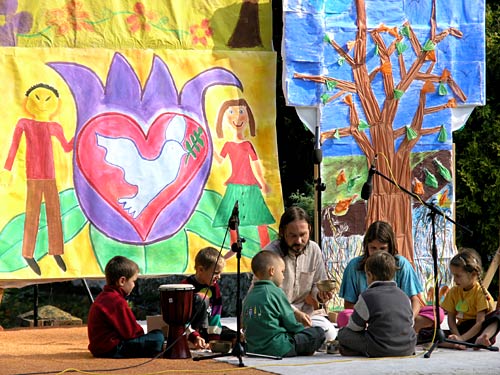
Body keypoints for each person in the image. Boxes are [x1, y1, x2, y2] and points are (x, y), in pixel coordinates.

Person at [4, 83, 74, 275]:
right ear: (28, 101)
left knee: (54, 213)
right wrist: (7, 169)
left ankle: (56, 251)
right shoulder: (24, 123)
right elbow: (14, 146)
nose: (42, 103)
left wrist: (79, 135)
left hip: (50, 177)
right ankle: (27, 252)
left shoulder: (54, 126)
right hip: (33, 176)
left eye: (47, 99)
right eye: (37, 98)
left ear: (56, 104)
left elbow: (67, 147)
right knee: (32, 213)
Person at [338, 220, 442, 335]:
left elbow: (415, 300)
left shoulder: (401, 264)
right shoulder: (354, 266)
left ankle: (409, 330)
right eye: (373, 248)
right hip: (368, 319)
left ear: (390, 247)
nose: (377, 253)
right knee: (344, 316)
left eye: (382, 249)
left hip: (399, 319)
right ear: (366, 246)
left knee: (437, 312)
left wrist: (409, 321)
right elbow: (349, 304)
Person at [263, 206, 337, 341]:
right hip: (276, 315)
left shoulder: (314, 250)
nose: (298, 241)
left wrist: (320, 295)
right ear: (282, 232)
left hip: (305, 316)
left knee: (330, 334)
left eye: (303, 235)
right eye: (293, 235)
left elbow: (317, 284)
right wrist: (294, 313)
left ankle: (296, 339)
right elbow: (269, 295)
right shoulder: (270, 255)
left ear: (310, 229)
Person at [243, 250, 326, 357]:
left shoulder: (249, 296)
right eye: (282, 272)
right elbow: (290, 322)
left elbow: (247, 320)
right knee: (318, 333)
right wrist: (303, 330)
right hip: (279, 347)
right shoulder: (276, 292)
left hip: (253, 349)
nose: (283, 276)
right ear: (272, 271)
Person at [337, 251, 417, 357]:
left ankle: (360, 350)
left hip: (379, 348)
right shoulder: (404, 296)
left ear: (369, 275)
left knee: (343, 334)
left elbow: (355, 327)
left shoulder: (367, 296)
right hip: (408, 347)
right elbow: (410, 323)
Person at [87, 256, 164, 358]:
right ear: (122, 281)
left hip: (100, 348)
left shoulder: (104, 296)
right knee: (158, 337)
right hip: (112, 349)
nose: (134, 285)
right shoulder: (116, 301)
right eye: (133, 281)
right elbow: (131, 333)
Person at [441, 248, 500, 349]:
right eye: (453, 276)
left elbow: (479, 323)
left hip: (480, 330)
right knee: (430, 333)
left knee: (498, 314)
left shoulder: (480, 293)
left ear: (473, 275)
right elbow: (451, 319)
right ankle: (457, 343)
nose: (454, 280)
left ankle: (482, 338)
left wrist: (462, 339)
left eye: (458, 276)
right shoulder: (453, 292)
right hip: (462, 330)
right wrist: (458, 337)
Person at [182, 246, 236, 349]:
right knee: (202, 299)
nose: (219, 277)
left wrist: (213, 340)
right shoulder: (186, 286)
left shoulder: (215, 288)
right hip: (192, 331)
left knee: (233, 335)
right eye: (216, 273)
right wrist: (194, 336)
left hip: (208, 330)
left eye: (220, 273)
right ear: (201, 269)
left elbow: (216, 315)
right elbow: (182, 319)